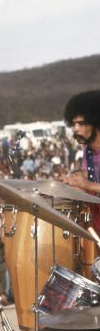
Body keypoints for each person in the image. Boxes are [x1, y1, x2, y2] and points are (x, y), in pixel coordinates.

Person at [64, 90, 100, 232]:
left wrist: (87, 184)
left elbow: (90, 183)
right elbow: (89, 175)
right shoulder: (88, 150)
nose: (75, 129)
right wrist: (73, 181)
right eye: (73, 124)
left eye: (81, 123)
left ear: (95, 124)